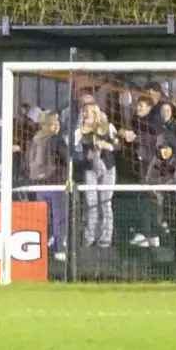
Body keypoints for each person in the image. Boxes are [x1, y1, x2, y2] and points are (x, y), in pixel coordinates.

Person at [27, 111, 69, 261]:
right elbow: (67, 156)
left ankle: (43, 246)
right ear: (52, 124)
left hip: (39, 185)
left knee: (43, 218)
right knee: (60, 218)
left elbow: (28, 161)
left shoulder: (35, 139)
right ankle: (60, 249)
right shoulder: (56, 139)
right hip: (55, 183)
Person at [75, 104, 118, 248]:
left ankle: (106, 237)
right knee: (91, 203)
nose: (85, 114)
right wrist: (88, 155)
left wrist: (107, 146)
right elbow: (75, 150)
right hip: (90, 169)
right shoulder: (80, 131)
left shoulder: (108, 127)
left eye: (88, 111)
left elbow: (118, 145)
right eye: (84, 111)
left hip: (107, 168)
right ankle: (90, 237)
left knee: (105, 203)